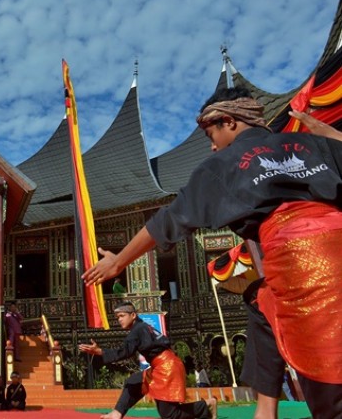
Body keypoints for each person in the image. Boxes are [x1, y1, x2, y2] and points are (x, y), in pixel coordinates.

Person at [83, 87, 342, 418]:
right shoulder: (314, 144)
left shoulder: (222, 165)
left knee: (331, 395)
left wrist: (118, 261)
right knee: (260, 301)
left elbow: (170, 219)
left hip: (303, 258)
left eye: (211, 133)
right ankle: (265, 410)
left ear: (229, 122)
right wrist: (333, 137)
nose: (211, 144)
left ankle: (267, 411)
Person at [79, 302, 216, 419]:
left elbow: (125, 352)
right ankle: (117, 412)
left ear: (133, 315)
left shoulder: (137, 330)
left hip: (167, 367)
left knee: (169, 415)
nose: (119, 320)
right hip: (163, 365)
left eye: (122, 316)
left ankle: (206, 406)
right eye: (117, 317)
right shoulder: (142, 327)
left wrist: (100, 351)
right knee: (134, 381)